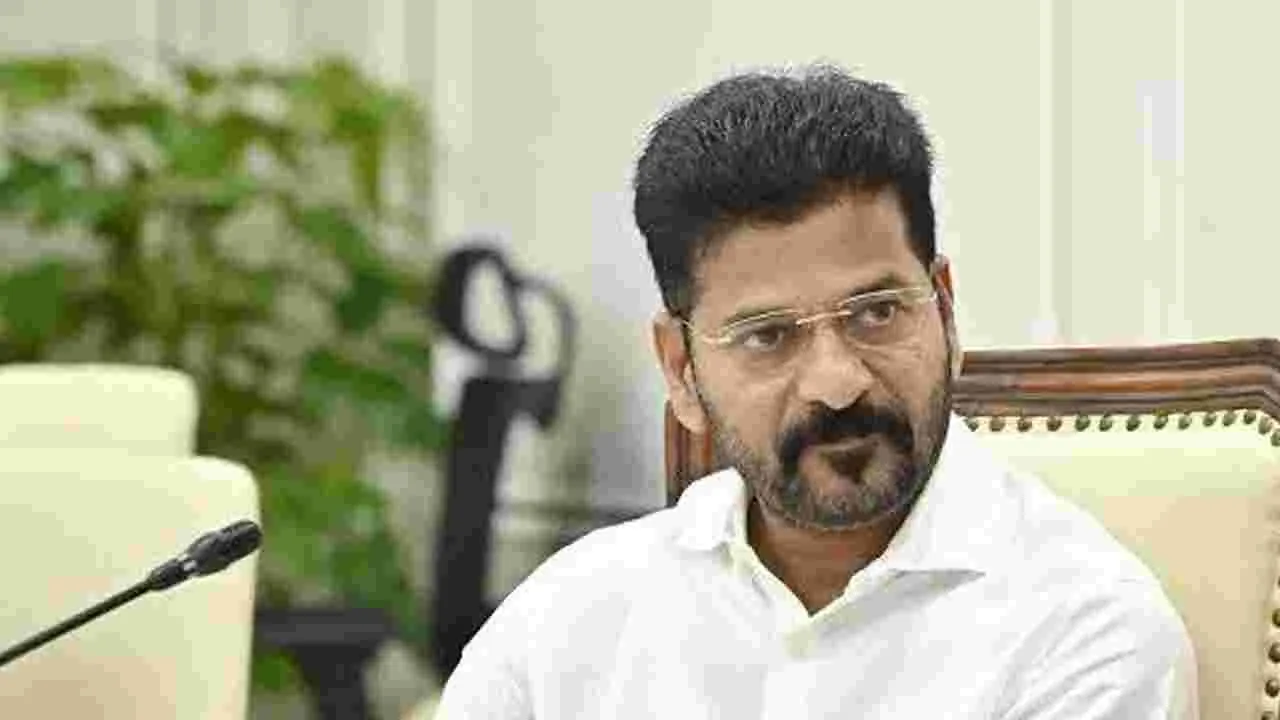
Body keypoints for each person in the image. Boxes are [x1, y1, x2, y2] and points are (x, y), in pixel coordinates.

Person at [434, 65, 1199, 718]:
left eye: (877, 312)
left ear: (945, 312)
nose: (838, 383)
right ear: (681, 370)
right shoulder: (570, 619)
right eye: (767, 334)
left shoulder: (1084, 631)